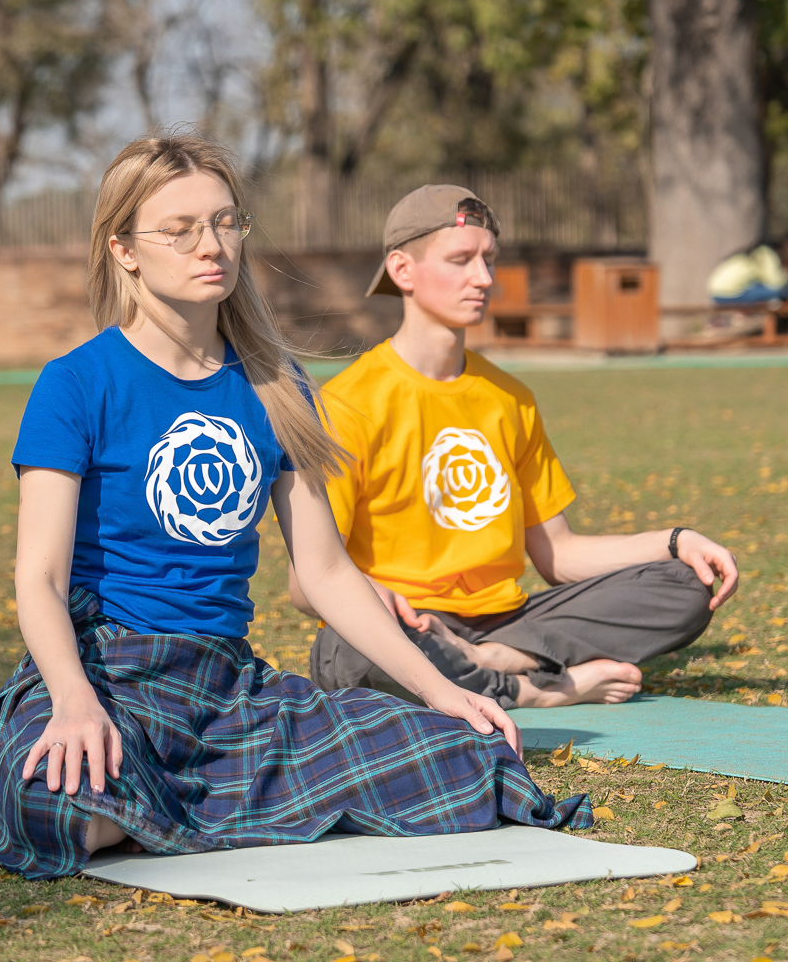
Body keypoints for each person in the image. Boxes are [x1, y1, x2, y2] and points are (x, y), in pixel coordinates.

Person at [0, 139, 590, 881]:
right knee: (52, 802)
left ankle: (176, 805)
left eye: (226, 222)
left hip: (227, 690)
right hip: (107, 669)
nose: (211, 245)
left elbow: (325, 572)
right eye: (180, 229)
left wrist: (440, 689)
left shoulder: (277, 384)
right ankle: (192, 798)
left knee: (470, 759)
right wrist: (72, 702)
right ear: (124, 250)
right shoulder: (76, 383)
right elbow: (39, 579)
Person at [292, 185, 742, 711]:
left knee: (687, 581)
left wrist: (675, 540)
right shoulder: (346, 404)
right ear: (402, 270)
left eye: (489, 260)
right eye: (460, 260)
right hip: (408, 626)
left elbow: (559, 555)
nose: (484, 278)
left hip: (511, 625)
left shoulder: (510, 397)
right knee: (344, 649)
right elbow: (306, 584)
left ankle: (498, 660)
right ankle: (537, 690)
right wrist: (372, 593)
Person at [708, 241, 788, 305]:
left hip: (716, 293)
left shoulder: (746, 255)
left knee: (759, 288)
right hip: (728, 294)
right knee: (779, 292)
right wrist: (786, 275)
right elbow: (776, 283)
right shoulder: (767, 253)